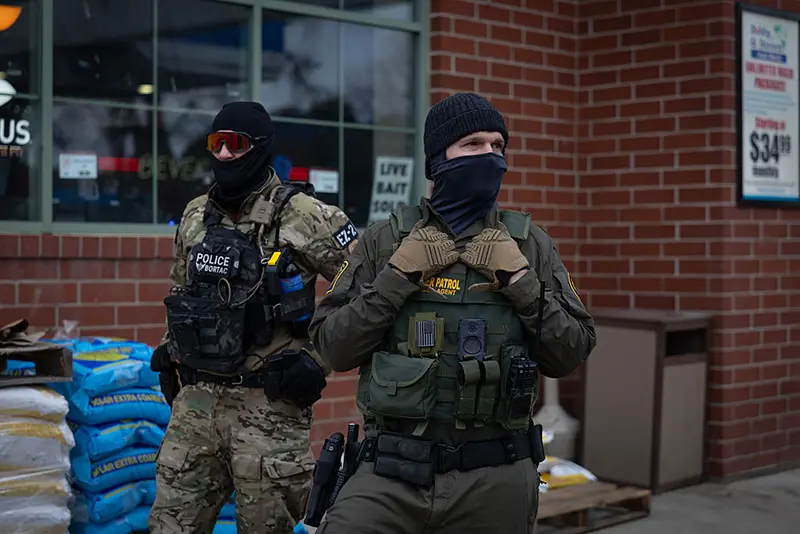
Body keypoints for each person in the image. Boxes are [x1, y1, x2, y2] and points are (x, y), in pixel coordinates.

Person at [308, 92, 597, 534]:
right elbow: (332, 347)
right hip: (391, 470)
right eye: (472, 145)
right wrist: (397, 277)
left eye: (497, 146)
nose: (489, 156)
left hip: (496, 474)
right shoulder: (383, 242)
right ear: (437, 160)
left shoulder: (530, 245)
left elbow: (571, 352)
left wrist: (521, 283)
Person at [148, 101, 360, 534]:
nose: (224, 154)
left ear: (261, 148)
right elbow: (181, 292)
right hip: (196, 405)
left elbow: (366, 294)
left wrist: (318, 361)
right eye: (217, 143)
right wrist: (171, 349)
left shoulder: (307, 216)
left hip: (268, 411)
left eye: (236, 144)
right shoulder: (194, 217)